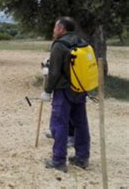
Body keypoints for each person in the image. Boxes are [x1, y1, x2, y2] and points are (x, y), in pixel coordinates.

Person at [41, 17, 90, 172]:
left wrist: (47, 90)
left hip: (63, 90)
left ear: (61, 28)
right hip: (81, 88)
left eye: (55, 27)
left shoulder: (59, 45)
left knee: (59, 124)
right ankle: (82, 158)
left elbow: (54, 73)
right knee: (80, 123)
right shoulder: (82, 42)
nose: (54, 30)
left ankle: (58, 160)